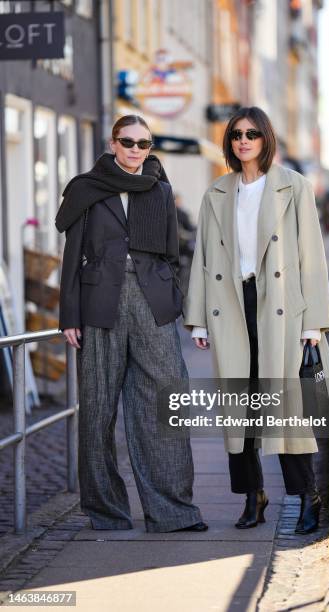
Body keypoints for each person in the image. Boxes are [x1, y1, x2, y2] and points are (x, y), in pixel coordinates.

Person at [184, 106, 329, 534]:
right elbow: (203, 258)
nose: (243, 141)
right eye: (237, 135)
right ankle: (252, 495)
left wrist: (313, 322)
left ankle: (307, 497)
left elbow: (312, 258)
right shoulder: (217, 193)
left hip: (281, 307)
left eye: (252, 134)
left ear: (266, 139)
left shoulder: (292, 187)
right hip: (231, 304)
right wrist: (200, 319)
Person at [55, 114, 207, 533]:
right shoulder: (86, 189)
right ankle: (106, 512)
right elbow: (72, 257)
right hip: (98, 303)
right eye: (128, 142)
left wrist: (171, 298)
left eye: (144, 144)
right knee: (98, 410)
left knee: (165, 405)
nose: (136, 151)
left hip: (152, 302)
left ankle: (173, 511)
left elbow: (172, 255)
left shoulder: (159, 190)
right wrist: (69, 314)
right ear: (113, 142)